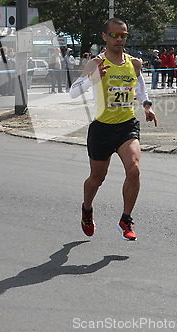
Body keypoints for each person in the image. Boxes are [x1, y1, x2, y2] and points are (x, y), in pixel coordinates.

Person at [69, 17, 157, 241]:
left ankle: (125, 220)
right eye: (114, 35)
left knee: (134, 168)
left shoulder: (133, 63)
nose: (119, 39)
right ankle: (87, 209)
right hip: (102, 129)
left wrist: (147, 106)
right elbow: (73, 92)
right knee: (97, 179)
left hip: (126, 126)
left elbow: (140, 86)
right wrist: (94, 77)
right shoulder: (96, 63)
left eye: (123, 35)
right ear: (105, 36)